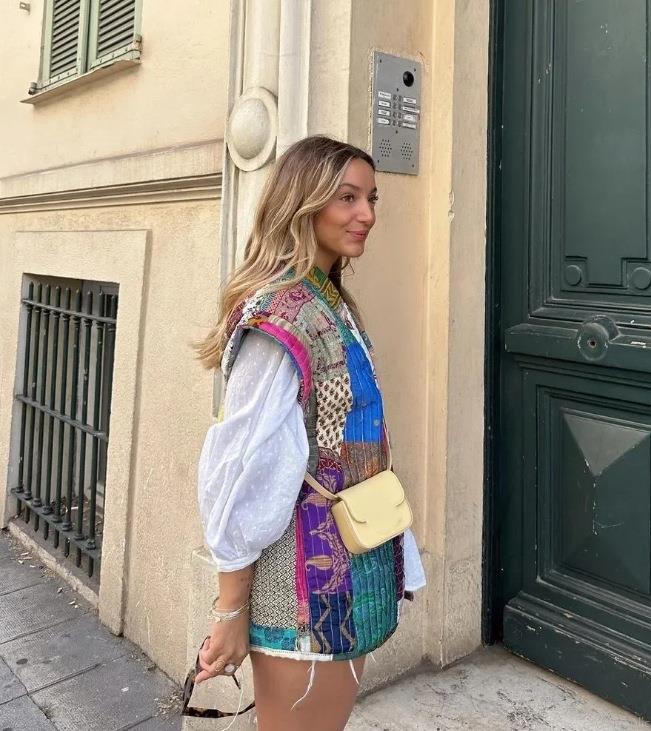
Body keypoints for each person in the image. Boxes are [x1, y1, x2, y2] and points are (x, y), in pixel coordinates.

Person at [192, 135, 426, 730]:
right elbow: (242, 468)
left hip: (349, 569)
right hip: (302, 592)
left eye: (371, 198)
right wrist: (230, 611)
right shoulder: (283, 317)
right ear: (304, 202)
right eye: (347, 198)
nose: (367, 214)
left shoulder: (328, 299)